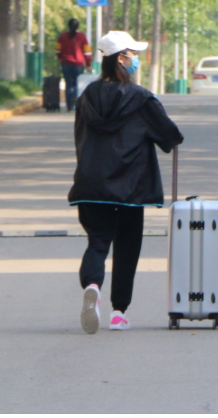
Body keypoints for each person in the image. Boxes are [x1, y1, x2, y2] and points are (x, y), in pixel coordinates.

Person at [68, 31, 184, 334]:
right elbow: (170, 136)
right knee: (127, 248)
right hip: (131, 188)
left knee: (97, 243)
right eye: (132, 54)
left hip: (91, 184)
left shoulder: (85, 98)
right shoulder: (141, 97)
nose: (136, 59)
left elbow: (80, 138)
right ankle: (119, 312)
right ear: (120, 58)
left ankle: (92, 286)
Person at [56, 18, 92, 110]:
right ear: (78, 26)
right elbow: (87, 52)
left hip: (66, 63)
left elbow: (57, 49)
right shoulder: (82, 36)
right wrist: (88, 64)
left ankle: (69, 105)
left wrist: (61, 58)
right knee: (77, 85)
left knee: (68, 84)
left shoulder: (63, 36)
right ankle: (76, 104)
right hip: (78, 64)